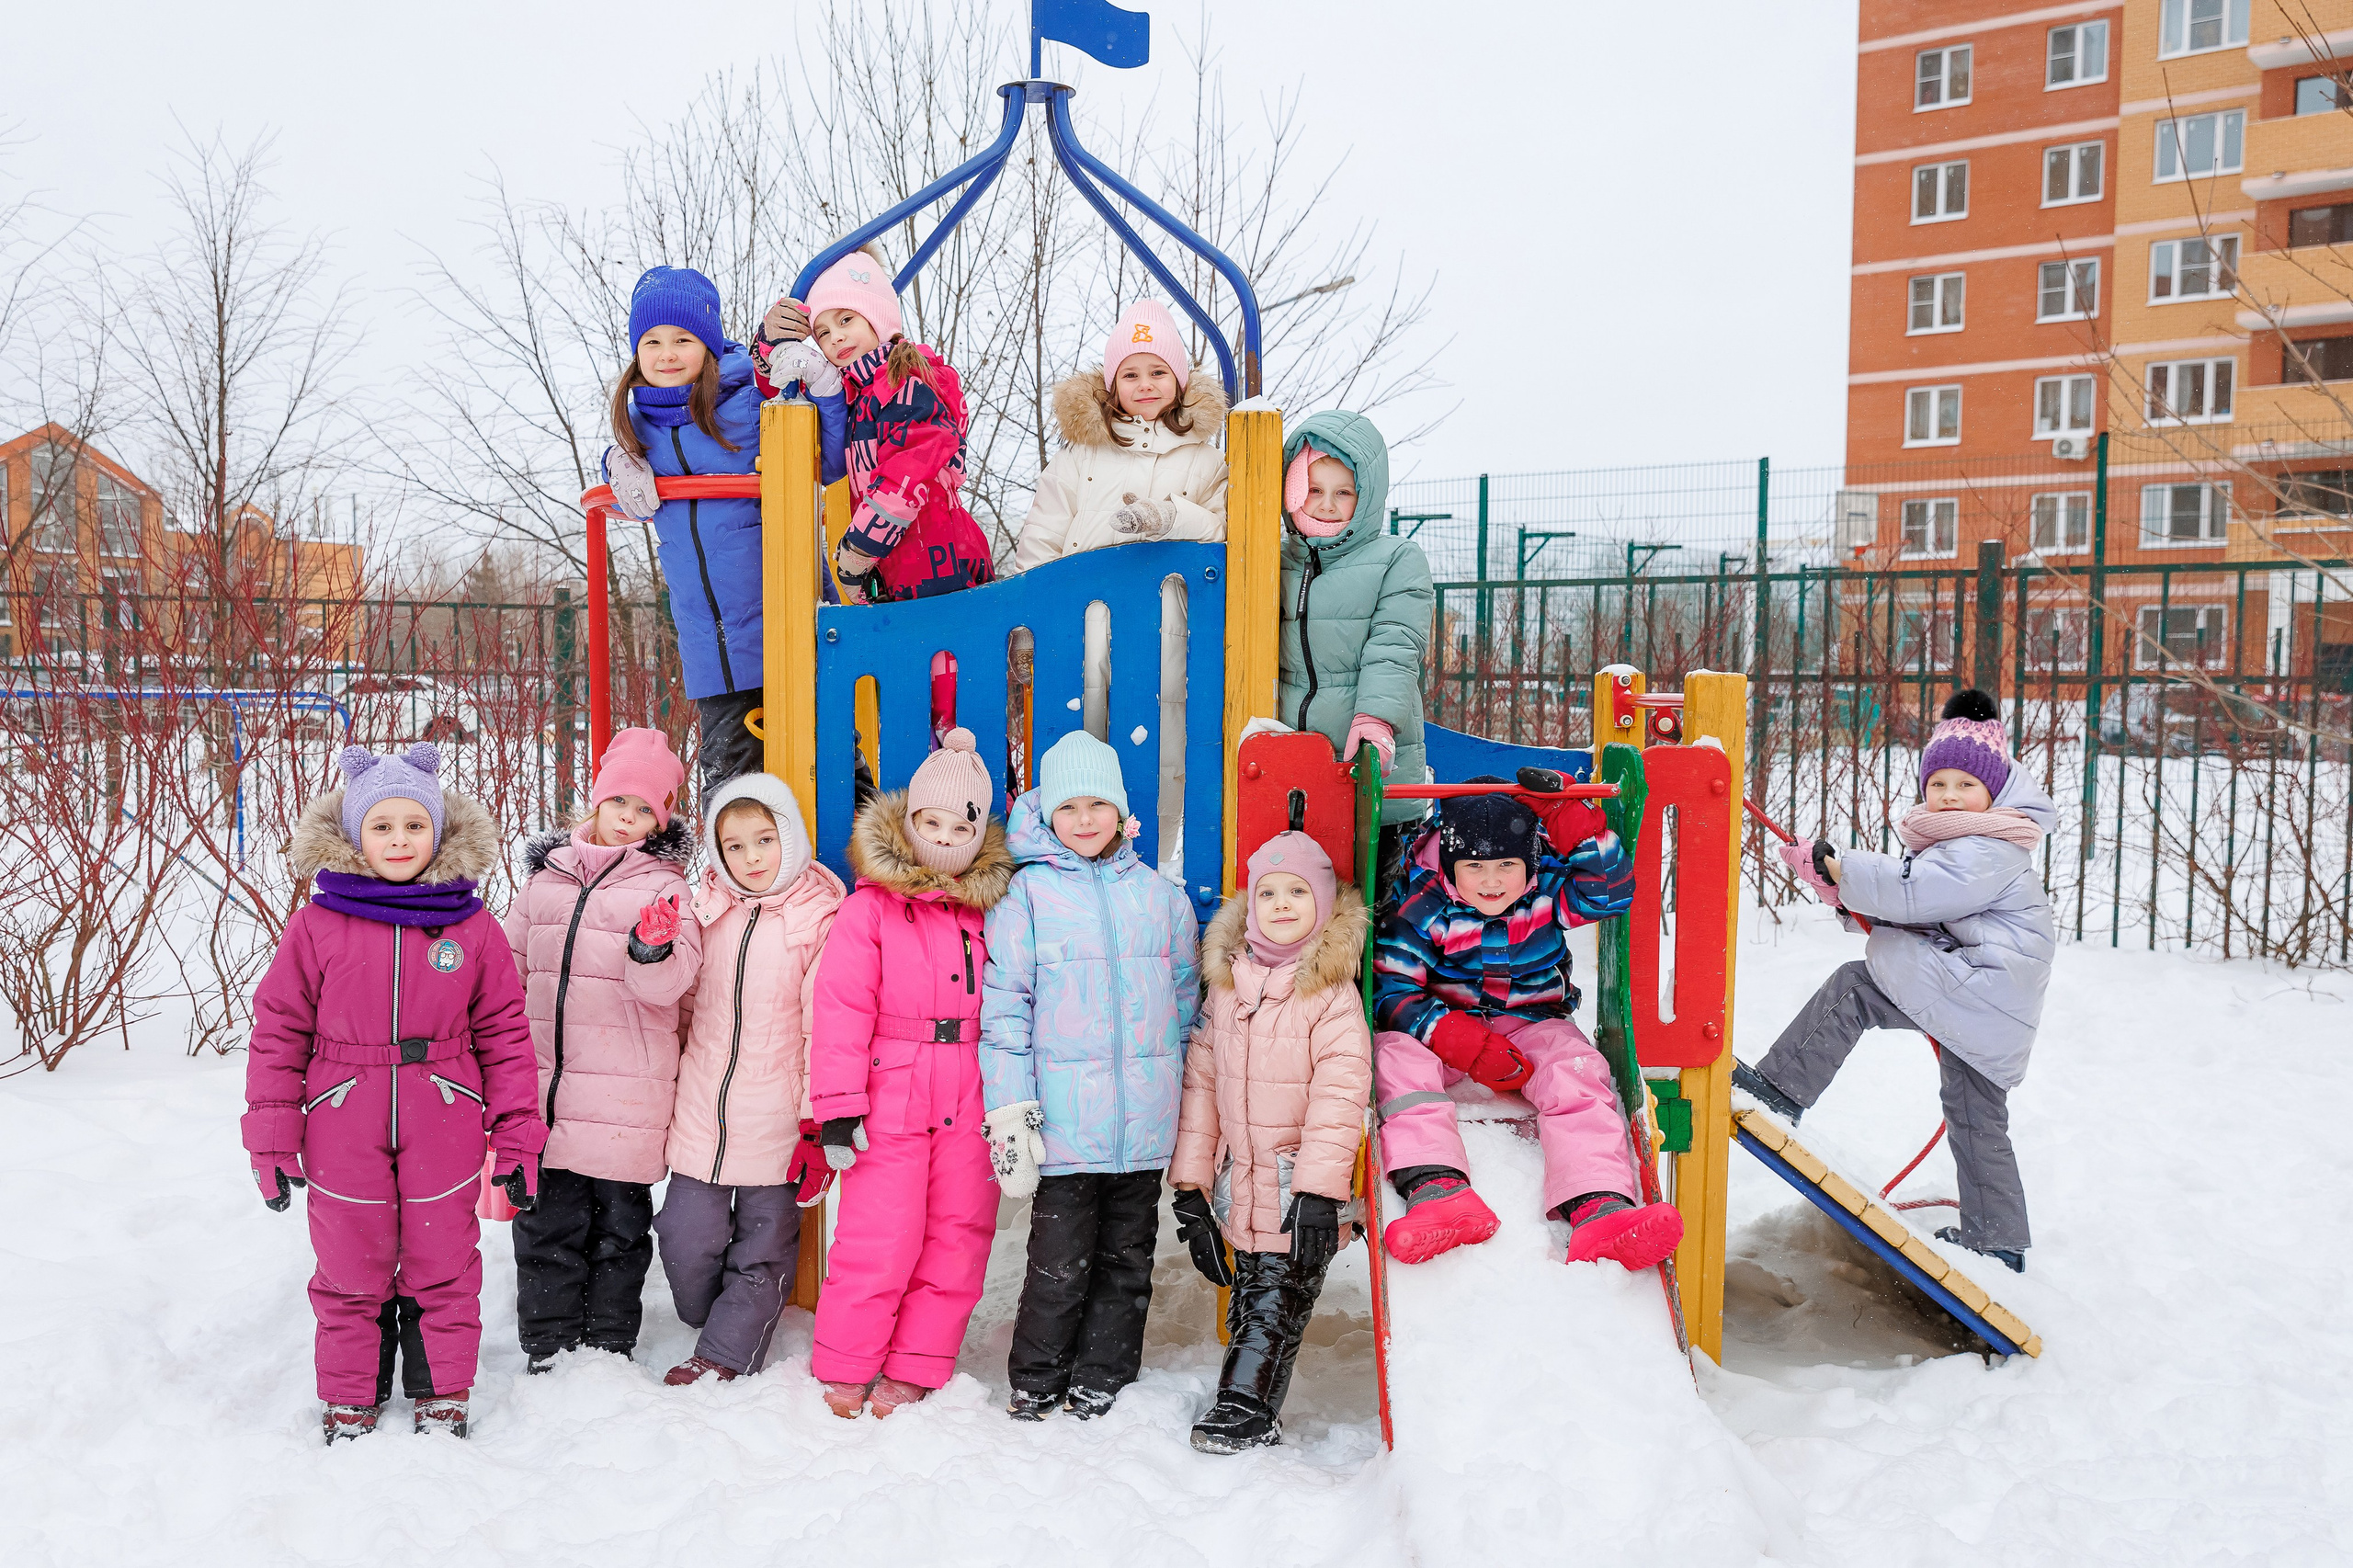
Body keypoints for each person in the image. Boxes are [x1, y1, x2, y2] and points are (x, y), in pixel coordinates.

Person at [243, 744, 543, 1442]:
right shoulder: (317, 925)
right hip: (342, 1115)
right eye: (382, 826)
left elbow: (503, 1032)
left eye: (415, 824)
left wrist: (519, 1135)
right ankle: (352, 1392)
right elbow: (279, 1031)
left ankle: (442, 1388)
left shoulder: (471, 926)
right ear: (353, 835)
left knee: (443, 1257)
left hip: (444, 1113)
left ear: (439, 831)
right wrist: (272, 1135)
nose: (400, 839)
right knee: (350, 1261)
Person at [1735, 689, 2054, 1274]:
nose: (1950, 794)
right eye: (1939, 784)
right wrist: (1839, 888)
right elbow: (1919, 903)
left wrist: (1847, 869)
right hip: (1986, 996)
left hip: (1980, 985)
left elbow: (1918, 891)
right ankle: (1999, 1240)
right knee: (1975, 1113)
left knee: (1856, 987)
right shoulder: (1971, 841)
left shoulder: (1987, 844)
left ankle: (1779, 1090)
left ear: (1995, 790)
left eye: (1965, 784)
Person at [1370, 772, 1683, 1270]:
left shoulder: (1546, 892)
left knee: (1577, 1071)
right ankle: (1437, 1190)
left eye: (1506, 865)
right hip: (1444, 1027)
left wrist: (1567, 818)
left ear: (1530, 863)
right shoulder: (1422, 905)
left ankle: (1599, 1206)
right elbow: (1392, 989)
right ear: (1451, 865)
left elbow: (1610, 892)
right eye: (1474, 867)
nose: (1492, 881)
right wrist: (1459, 1040)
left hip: (1533, 1022)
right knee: (1394, 1059)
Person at [979, 730, 1201, 1423]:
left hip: (1142, 1124)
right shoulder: (1028, 898)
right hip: (1065, 1123)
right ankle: (1037, 1379)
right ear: (1047, 814)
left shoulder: (1161, 900)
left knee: (1128, 1259)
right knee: (1058, 1261)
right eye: (1068, 806)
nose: (1083, 819)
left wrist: (1185, 1101)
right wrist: (1011, 1109)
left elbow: (1188, 1003)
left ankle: (1103, 1377)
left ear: (1120, 809)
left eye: (1097, 804)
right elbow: (1005, 1010)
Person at [805, 730, 1015, 1418]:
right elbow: (840, 1006)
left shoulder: (995, 909)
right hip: (890, 1090)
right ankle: (847, 1360)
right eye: (932, 821)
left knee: (958, 1234)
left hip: (973, 1090)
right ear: (908, 822)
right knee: (879, 1232)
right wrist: (838, 1107)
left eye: (962, 825)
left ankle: (918, 1362)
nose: (946, 836)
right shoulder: (869, 909)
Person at [601, 266, 846, 799]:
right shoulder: (639, 425)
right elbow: (622, 467)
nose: (667, 353)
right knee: (731, 792)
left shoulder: (746, 401)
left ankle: (863, 879)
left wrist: (824, 390)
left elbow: (826, 461)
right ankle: (735, 884)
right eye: (653, 341)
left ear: (709, 345)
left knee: (832, 771)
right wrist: (613, 462)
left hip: (791, 627)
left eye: (683, 339)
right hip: (713, 653)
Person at [505, 727, 699, 1372]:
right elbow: (506, 970)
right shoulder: (544, 885)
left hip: (626, 1096)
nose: (630, 819)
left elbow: (672, 987)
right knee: (546, 1226)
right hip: (549, 1093)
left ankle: (610, 1343)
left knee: (619, 1232)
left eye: (646, 810)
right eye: (621, 802)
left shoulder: (666, 890)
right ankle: (549, 1344)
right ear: (596, 801)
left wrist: (652, 950)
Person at [1170, 831, 1370, 1453]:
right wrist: (1190, 1186)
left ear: (1325, 905)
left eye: (1298, 893)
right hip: (1241, 1183)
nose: (1282, 905)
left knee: (1274, 1300)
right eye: (1269, 893)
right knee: (1255, 1291)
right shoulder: (1227, 987)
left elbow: (1340, 1099)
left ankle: (1246, 1405)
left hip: (1295, 1187)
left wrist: (1317, 1192)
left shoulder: (1331, 996)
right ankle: (1252, 1392)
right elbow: (1200, 1087)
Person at [1011, 300, 1228, 851]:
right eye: (1130, 373)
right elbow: (1044, 533)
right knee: (1085, 727)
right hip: (1084, 622)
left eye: (1158, 372)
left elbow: (1225, 527)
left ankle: (1160, 850)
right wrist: (1028, 620)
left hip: (1166, 625)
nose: (1146, 384)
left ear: (1179, 382)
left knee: (1164, 734)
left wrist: (1170, 516)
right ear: (1111, 386)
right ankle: (1078, 849)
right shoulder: (1080, 456)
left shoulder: (1204, 460)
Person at [653, 774, 846, 1386]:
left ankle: (724, 1353)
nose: (751, 857)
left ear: (789, 838)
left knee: (763, 1252)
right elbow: (678, 1006)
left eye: (764, 839)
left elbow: (826, 1028)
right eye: (734, 845)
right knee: (686, 1239)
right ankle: (713, 1318)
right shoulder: (705, 908)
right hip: (702, 1113)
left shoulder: (820, 917)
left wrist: (818, 1121)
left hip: (778, 1120)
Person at [1278, 410, 1435, 900]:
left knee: (1367, 909)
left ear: (1367, 497)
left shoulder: (1395, 559)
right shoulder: (1275, 557)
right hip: (1291, 775)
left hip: (1365, 767)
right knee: (1297, 905)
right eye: (1313, 488)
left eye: (1343, 492)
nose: (1325, 504)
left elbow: (1394, 644)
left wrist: (1376, 721)